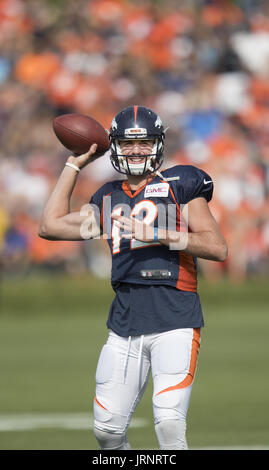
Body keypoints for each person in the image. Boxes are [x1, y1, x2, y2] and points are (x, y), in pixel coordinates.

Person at [39, 105, 228, 450]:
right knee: (107, 431)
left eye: (144, 143)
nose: (137, 151)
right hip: (125, 322)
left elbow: (216, 247)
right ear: (114, 147)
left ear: (159, 144)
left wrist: (157, 232)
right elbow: (49, 227)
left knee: (170, 423)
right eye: (127, 144)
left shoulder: (180, 184)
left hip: (175, 318)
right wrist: (73, 165)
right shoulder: (108, 198)